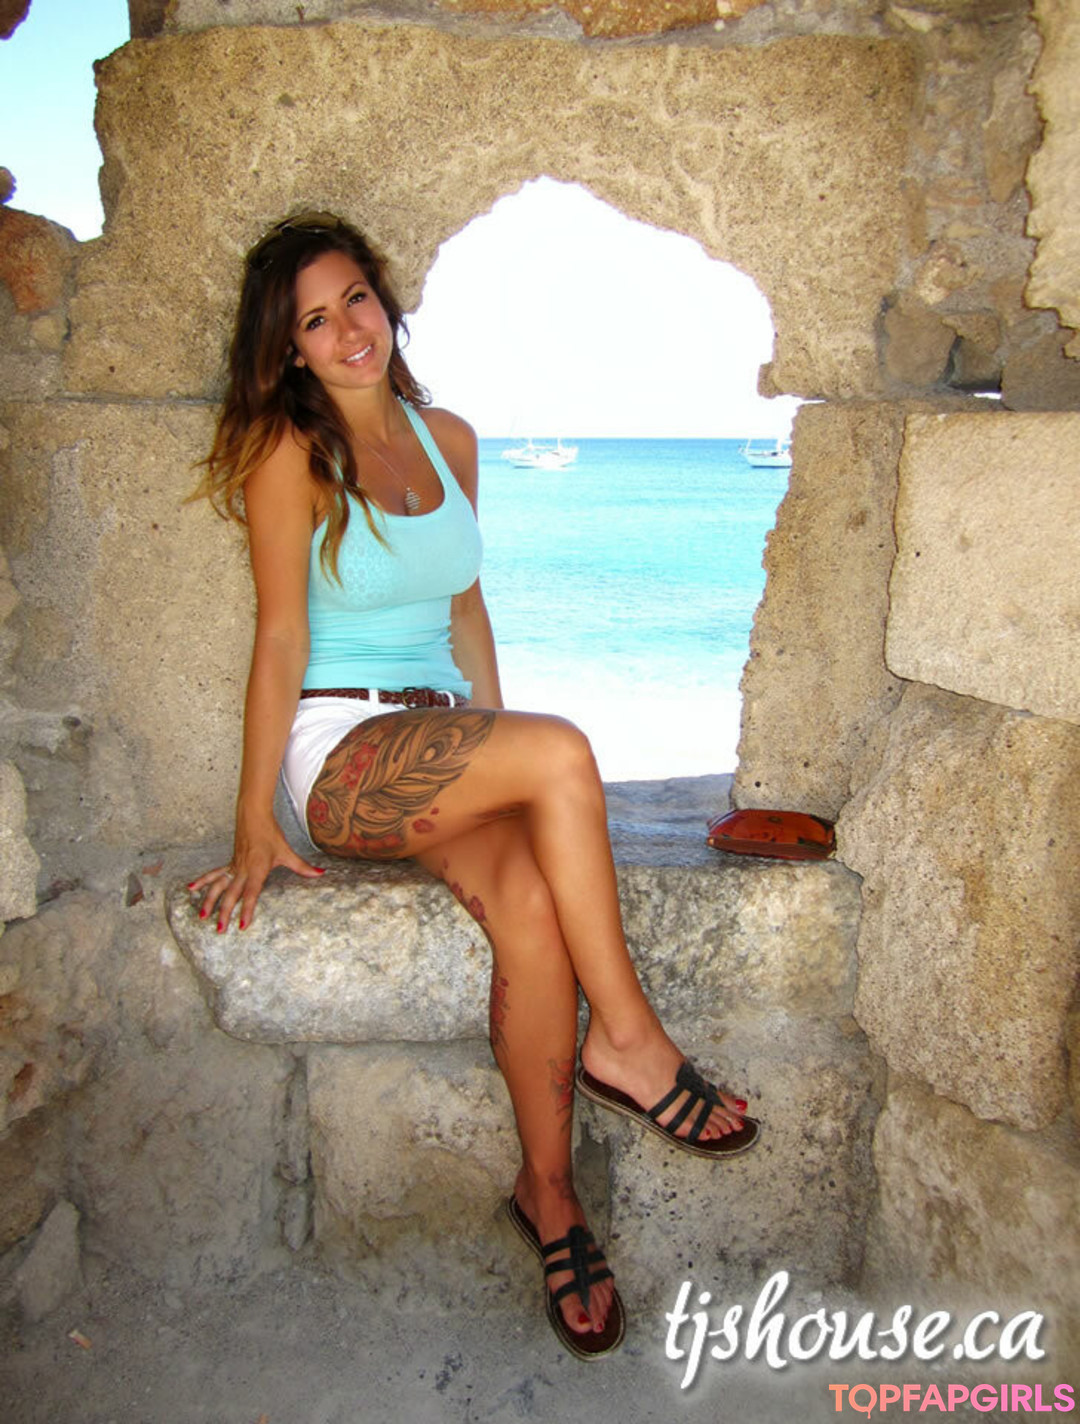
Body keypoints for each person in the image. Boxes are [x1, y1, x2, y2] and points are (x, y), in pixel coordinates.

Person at [189, 211, 759, 1361]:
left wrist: (499, 741)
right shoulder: (290, 453)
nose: (348, 329)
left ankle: (548, 1194)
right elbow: (281, 637)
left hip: (444, 739)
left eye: (356, 298)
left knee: (536, 903)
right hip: (343, 753)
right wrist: (254, 819)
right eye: (315, 319)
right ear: (288, 348)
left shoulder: (449, 438)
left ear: (385, 300)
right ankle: (630, 1041)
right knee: (565, 751)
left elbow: (466, 607)